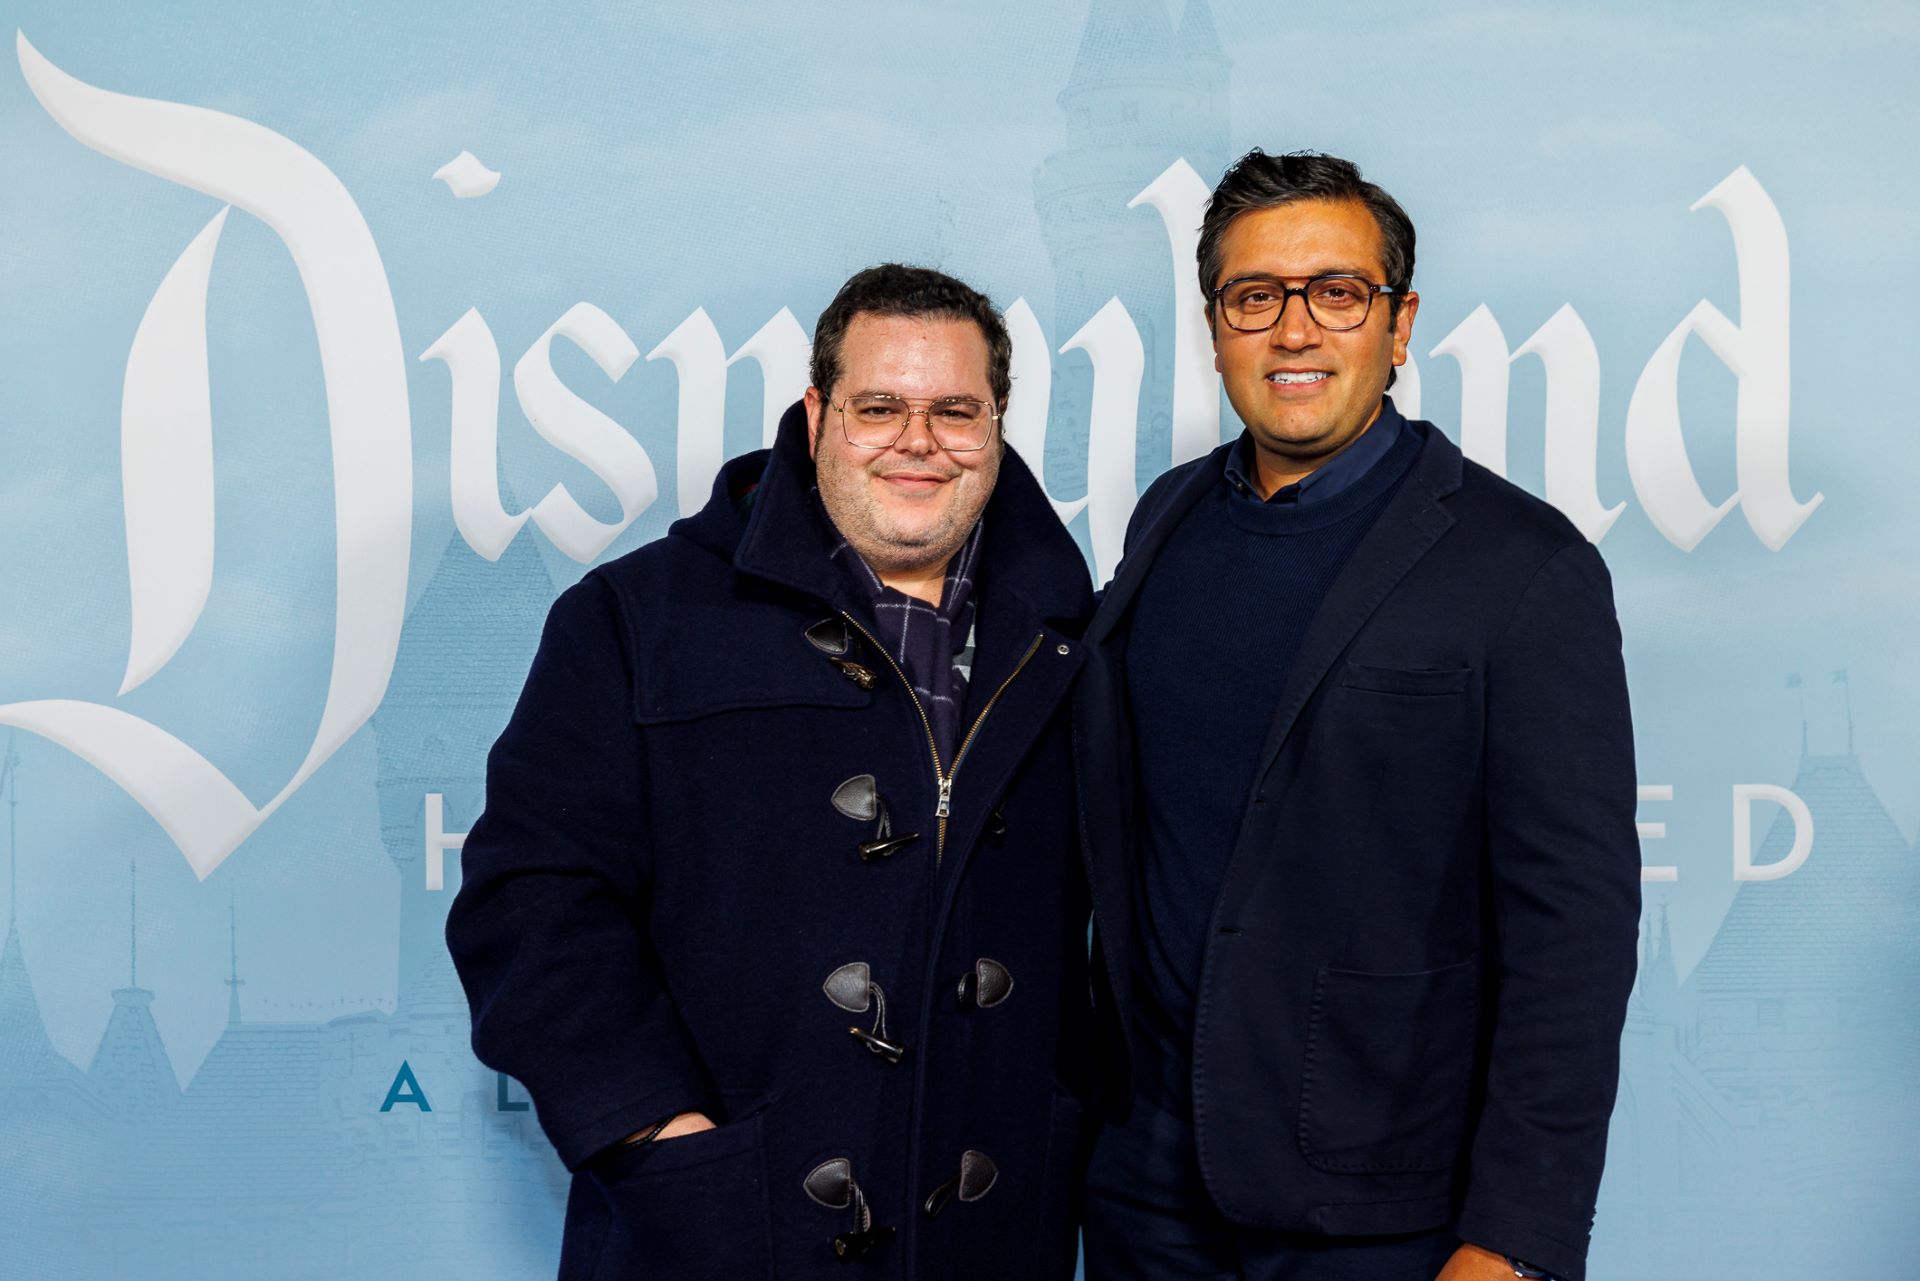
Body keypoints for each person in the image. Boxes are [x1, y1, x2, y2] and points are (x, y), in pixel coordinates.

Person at [447, 265, 1098, 1281]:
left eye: (954, 412)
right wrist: (662, 1140)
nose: (917, 441)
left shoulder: (1077, 645)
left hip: (993, 1237)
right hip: (719, 1234)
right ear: (815, 413)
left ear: (999, 422)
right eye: (878, 407)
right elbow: (528, 905)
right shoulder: (635, 620)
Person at [1073, 150, 1640, 1281]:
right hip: (1143, 1196)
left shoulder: (1523, 568)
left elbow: (1572, 938)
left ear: (1399, 321)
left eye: (1338, 293)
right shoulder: (1166, 522)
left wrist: (1513, 1242)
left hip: (1381, 1212)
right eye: (1255, 298)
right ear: (1215, 324)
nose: (1295, 331)